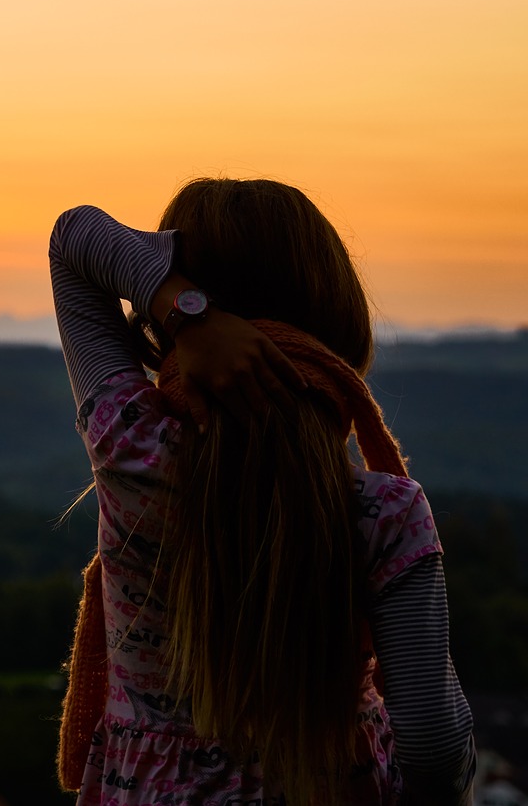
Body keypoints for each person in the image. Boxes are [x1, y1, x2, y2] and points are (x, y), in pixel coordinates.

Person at [48, 178, 475, 806]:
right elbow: (435, 750)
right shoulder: (385, 514)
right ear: (338, 308)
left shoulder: (132, 449)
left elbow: (74, 240)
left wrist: (185, 312)